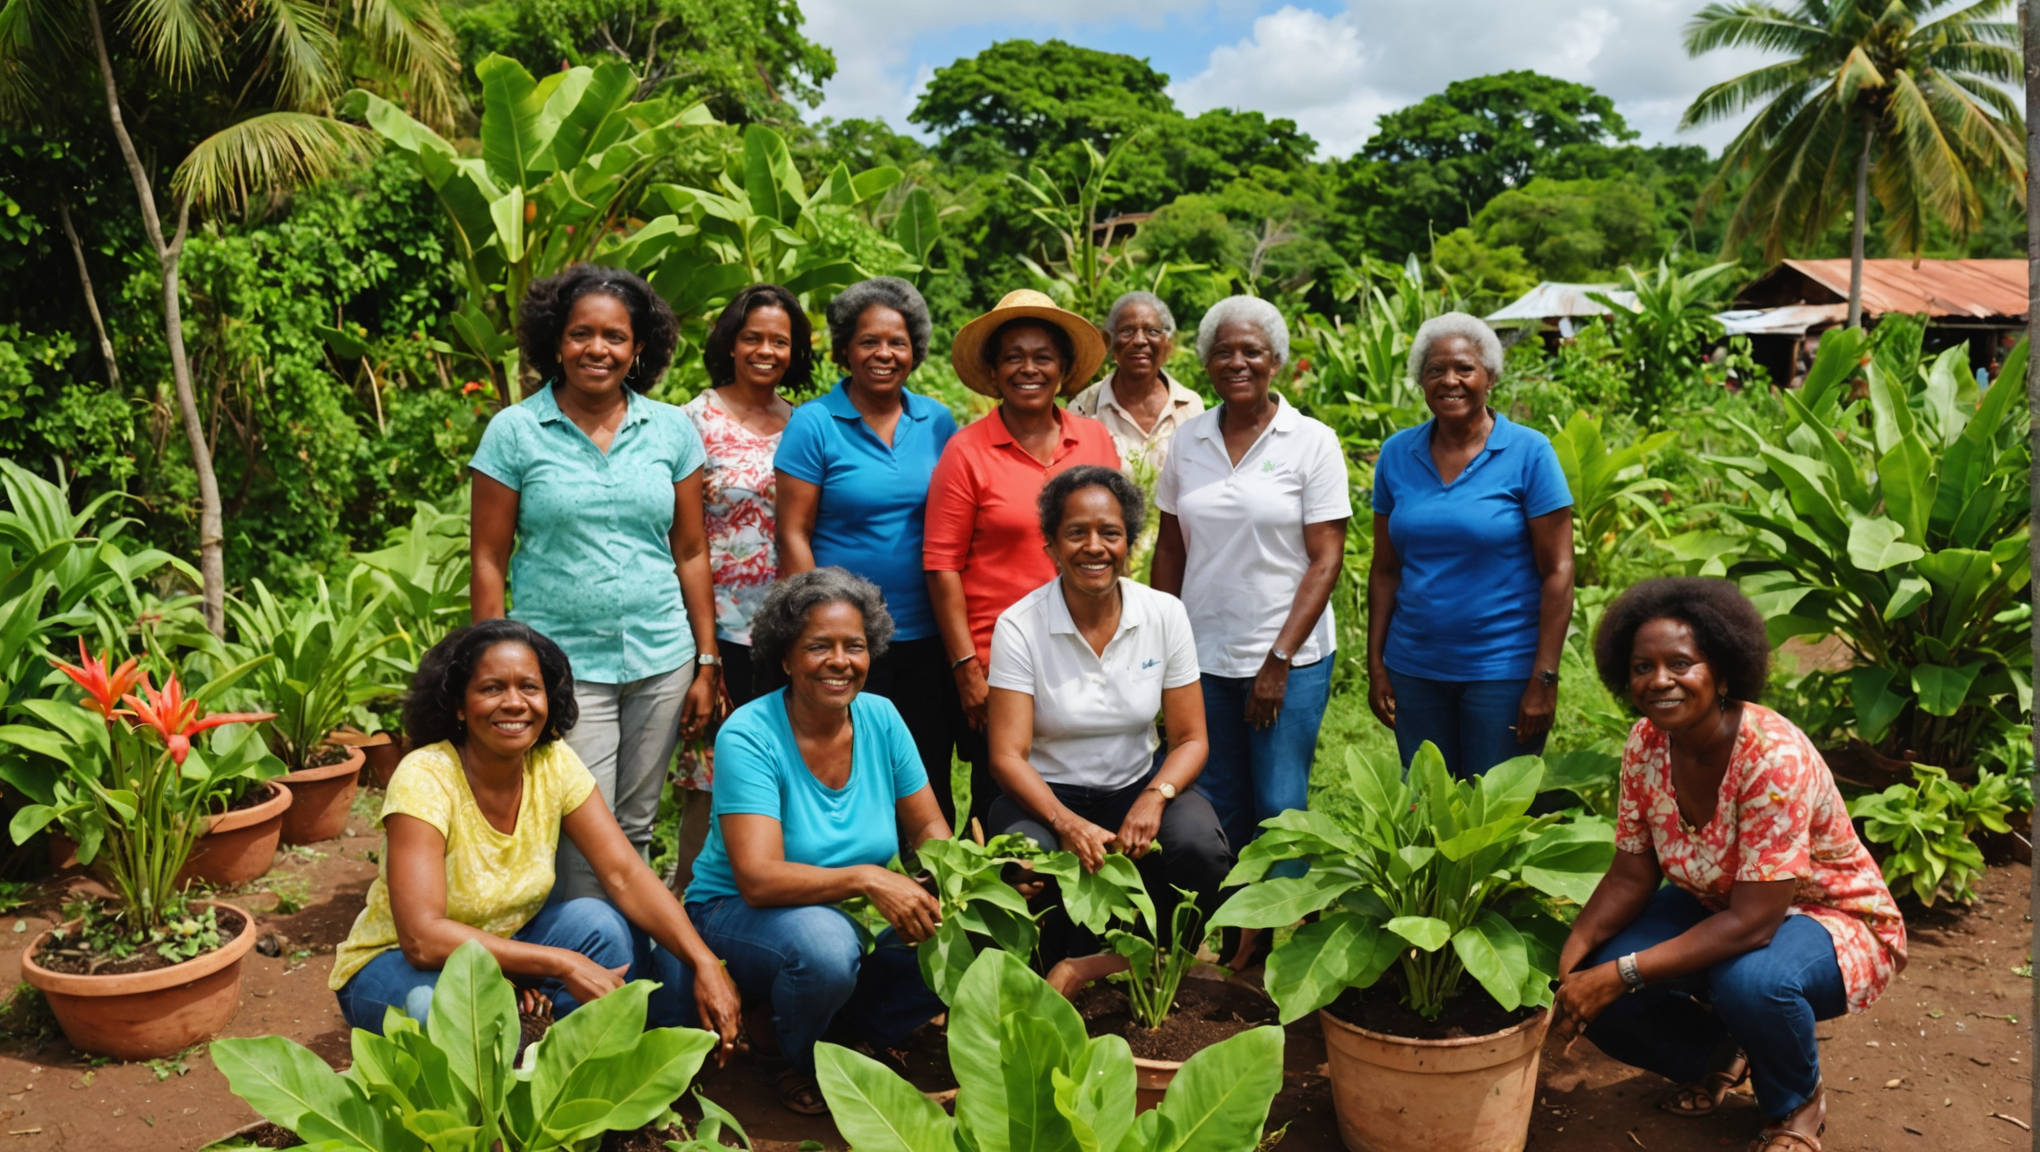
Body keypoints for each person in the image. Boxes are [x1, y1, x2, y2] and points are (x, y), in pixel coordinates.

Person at [1552, 578, 1905, 1152]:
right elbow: (1631, 873)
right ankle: (1717, 1054)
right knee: (1597, 974)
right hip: (1718, 904)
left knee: (1749, 982)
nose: (1659, 680)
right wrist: (1575, 958)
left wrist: (1620, 974)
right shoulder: (1646, 743)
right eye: (1643, 666)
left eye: (1681, 663)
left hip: (1829, 918)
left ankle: (1797, 1101)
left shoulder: (1772, 757)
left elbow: (1755, 923)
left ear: (1722, 670)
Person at [329, 620, 741, 1057]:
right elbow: (422, 939)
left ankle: (565, 1058)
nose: (514, 703)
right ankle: (507, 1063)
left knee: (602, 927)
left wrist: (706, 963)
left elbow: (623, 873)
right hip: (397, 963)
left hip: (506, 943)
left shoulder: (552, 762)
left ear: (549, 698)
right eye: (491, 689)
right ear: (459, 706)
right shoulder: (425, 776)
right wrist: (558, 963)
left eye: (530, 687)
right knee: (444, 1010)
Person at [470, 265, 720, 903]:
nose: (598, 350)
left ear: (639, 349)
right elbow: (489, 558)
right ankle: (585, 967)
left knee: (635, 824)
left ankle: (627, 968)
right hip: (561, 665)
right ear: (557, 340)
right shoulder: (516, 432)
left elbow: (690, 549)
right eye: (582, 334)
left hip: (661, 658)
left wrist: (706, 660)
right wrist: (492, 670)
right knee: (583, 827)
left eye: (615, 336)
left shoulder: (670, 430)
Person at [683, 568, 950, 1116]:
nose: (840, 661)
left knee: (977, 924)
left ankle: (850, 1034)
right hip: (737, 910)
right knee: (825, 948)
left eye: (854, 646)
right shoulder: (750, 734)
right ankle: (794, 1056)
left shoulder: (881, 717)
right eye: (818, 647)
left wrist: (963, 880)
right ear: (785, 657)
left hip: (849, 907)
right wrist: (871, 877)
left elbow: (928, 830)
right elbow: (758, 879)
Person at [985, 465, 1230, 969]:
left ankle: (1158, 958)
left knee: (1198, 847)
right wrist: (1066, 823)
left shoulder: (1163, 614)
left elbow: (1190, 739)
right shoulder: (1019, 625)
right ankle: (1036, 966)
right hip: (1045, 795)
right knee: (1023, 859)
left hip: (1133, 784)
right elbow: (1006, 756)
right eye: (1076, 533)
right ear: (1051, 545)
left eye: (1110, 533)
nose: (1093, 546)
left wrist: (1153, 798)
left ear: (1129, 543)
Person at [1151, 295, 1350, 868]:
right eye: (1223, 352)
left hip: (1289, 658)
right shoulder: (1189, 441)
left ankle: (1271, 934)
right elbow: (1170, 547)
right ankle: (1221, 922)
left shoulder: (1312, 441)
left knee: (1279, 804)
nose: (1236, 363)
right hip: (1203, 654)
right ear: (1206, 364)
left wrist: (1279, 659)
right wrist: (1162, 645)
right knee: (1215, 798)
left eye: (1251, 351)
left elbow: (1326, 560)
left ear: (1276, 361)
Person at [926, 289, 1117, 828]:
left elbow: (1112, 542)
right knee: (1002, 807)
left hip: (1084, 656)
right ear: (994, 368)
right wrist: (967, 669)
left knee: (1079, 794)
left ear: (1063, 368)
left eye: (1042, 357)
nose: (1028, 369)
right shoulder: (966, 451)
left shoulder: (1095, 441)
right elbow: (942, 565)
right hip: (999, 663)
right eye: (1013, 356)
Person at [1366, 312, 1575, 780]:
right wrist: (1376, 664)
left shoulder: (1529, 452)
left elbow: (1558, 570)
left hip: (1502, 671)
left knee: (1492, 819)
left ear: (1490, 376)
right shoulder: (1398, 454)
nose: (1450, 381)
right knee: (1426, 810)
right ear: (1421, 380)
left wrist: (1544, 677)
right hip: (1415, 669)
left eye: (1464, 368)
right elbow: (1385, 570)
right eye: (1435, 370)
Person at [775, 277, 960, 803]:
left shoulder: (936, 420)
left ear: (915, 351)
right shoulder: (814, 424)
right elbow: (793, 531)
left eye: (897, 342)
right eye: (869, 341)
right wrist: (811, 624)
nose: (884, 354)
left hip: (927, 633)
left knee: (926, 771)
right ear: (844, 350)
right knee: (848, 770)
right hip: (845, 639)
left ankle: (934, 880)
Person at [669, 284, 814, 896]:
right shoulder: (690, 421)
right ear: (729, 343)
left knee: (783, 769)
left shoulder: (808, 423)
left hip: (790, 630)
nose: (765, 350)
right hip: (715, 626)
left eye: (779, 340)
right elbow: (681, 537)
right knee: (711, 775)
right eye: (752, 336)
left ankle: (778, 896)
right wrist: (702, 649)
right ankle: (689, 905)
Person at [1066, 291, 1204, 476]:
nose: (1139, 340)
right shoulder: (1086, 407)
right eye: (1127, 331)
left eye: (1152, 331)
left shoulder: (1189, 406)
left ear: (1166, 343)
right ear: (1112, 344)